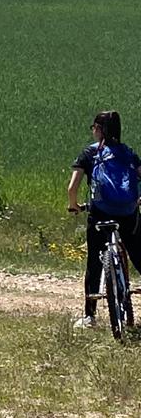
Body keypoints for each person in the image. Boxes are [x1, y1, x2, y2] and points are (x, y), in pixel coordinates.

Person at [67, 111, 141, 329]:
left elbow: (72, 188)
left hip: (100, 214)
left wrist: (74, 206)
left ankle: (89, 317)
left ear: (99, 129)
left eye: (93, 127)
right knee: (139, 254)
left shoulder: (89, 153)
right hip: (128, 214)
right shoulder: (128, 153)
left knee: (94, 262)